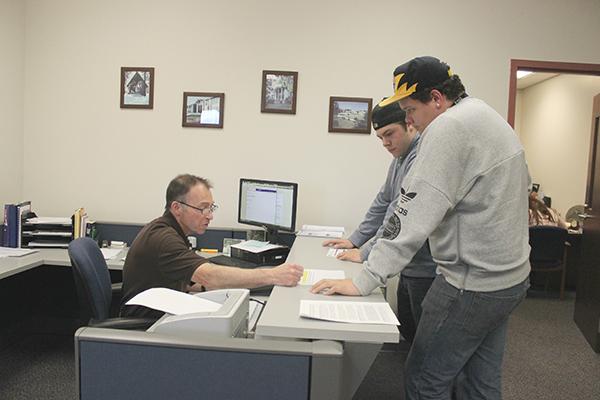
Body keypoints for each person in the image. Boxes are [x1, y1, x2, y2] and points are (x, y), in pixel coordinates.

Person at [312, 56, 531, 400]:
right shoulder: (484, 115)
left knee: (424, 379)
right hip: (509, 280)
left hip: (469, 285)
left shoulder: (448, 128)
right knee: (479, 381)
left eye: (411, 109)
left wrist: (364, 280)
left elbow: (410, 216)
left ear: (437, 98)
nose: (409, 120)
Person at [322, 100, 437, 343]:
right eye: (380, 137)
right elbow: (383, 201)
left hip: (426, 268)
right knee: (409, 332)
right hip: (410, 265)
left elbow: (398, 216)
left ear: (410, 125)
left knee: (425, 343)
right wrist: (355, 240)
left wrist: (365, 251)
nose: (385, 143)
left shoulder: (419, 159)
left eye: (389, 134)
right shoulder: (400, 158)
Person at [120, 174, 304, 319]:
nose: (209, 216)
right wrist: (273, 275)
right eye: (203, 208)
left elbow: (188, 280)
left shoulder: (171, 231)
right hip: (149, 325)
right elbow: (209, 276)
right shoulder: (163, 239)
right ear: (177, 208)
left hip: (164, 310)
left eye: (211, 208)